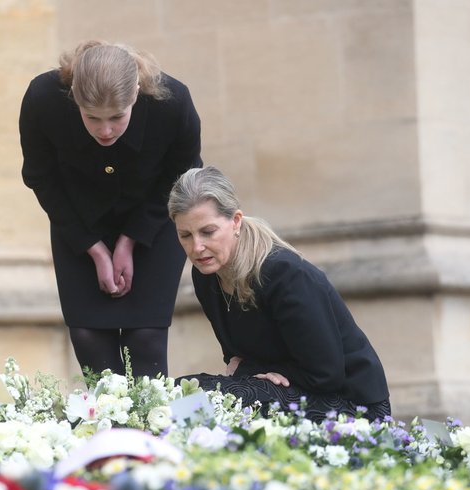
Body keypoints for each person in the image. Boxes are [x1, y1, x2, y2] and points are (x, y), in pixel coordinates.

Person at [19, 40, 202, 379]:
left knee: (145, 338)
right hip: (75, 220)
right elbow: (41, 178)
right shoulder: (42, 99)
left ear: (136, 92)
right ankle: (110, 429)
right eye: (92, 118)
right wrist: (94, 249)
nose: (105, 130)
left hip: (155, 217)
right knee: (89, 337)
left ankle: (152, 430)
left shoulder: (173, 102)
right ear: (74, 95)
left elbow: (181, 175)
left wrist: (131, 239)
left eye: (117, 117)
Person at [168, 166, 392, 422]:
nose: (197, 247)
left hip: (351, 404)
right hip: (281, 387)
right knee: (179, 391)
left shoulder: (285, 274)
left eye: (208, 232)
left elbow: (326, 374)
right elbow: (236, 357)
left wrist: (253, 371)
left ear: (236, 221)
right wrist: (254, 372)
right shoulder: (206, 275)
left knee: (210, 399)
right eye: (185, 235)